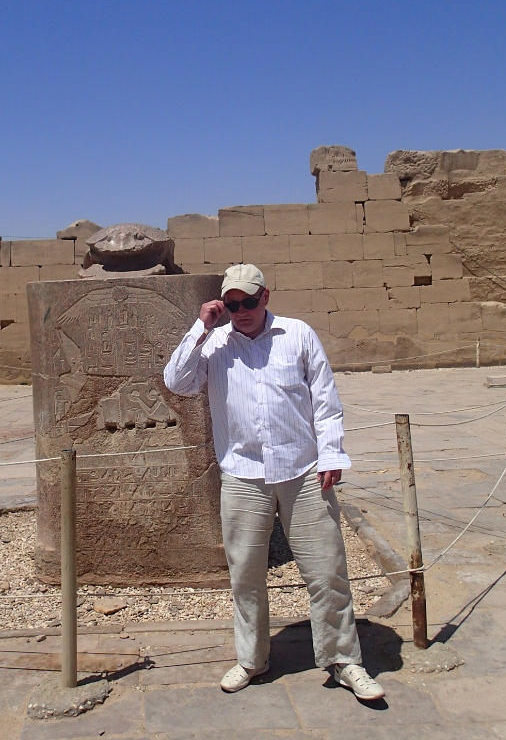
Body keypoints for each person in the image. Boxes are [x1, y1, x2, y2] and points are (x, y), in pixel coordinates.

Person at [163, 263, 384, 701]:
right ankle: (251, 658)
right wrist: (200, 327)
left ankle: (343, 659)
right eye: (232, 304)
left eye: (249, 301)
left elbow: (325, 399)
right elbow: (177, 382)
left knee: (327, 571)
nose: (241, 311)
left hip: (303, 472)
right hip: (243, 474)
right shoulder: (216, 343)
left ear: (265, 297)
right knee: (245, 576)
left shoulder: (298, 334)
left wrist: (332, 453)